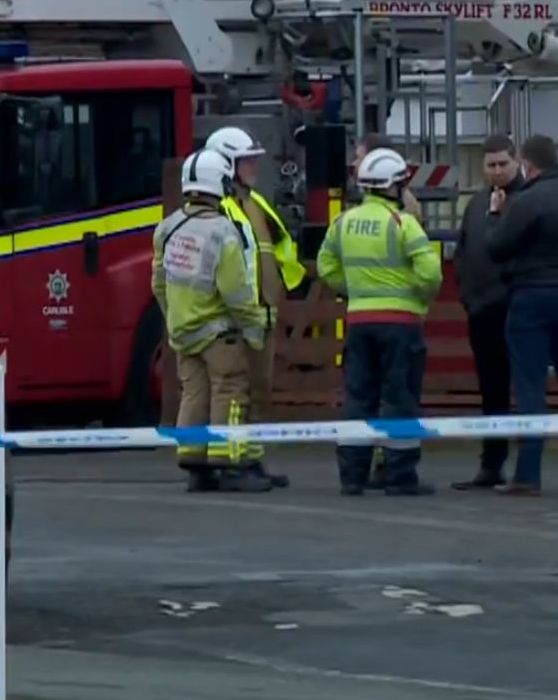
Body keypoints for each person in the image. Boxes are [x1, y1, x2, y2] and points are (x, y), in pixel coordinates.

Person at [318, 146, 442, 496]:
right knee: (399, 398)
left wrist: (353, 289)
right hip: (401, 323)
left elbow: (326, 265)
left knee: (359, 397)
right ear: (393, 186)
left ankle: (352, 477)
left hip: (359, 321)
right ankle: (399, 476)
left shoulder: (342, 222)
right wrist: (416, 295)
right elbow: (431, 272)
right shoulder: (403, 223)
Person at [485, 133, 558, 497]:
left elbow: (496, 247)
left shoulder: (527, 199)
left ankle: (528, 475)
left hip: (533, 294)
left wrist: (494, 215)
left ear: (528, 164)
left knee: (530, 385)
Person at [151, 149, 274, 493]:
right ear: (219, 182)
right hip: (220, 333)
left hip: (183, 332)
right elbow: (236, 291)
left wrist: (174, 317)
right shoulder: (222, 231)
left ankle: (194, 460)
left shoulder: (168, 227)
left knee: (194, 393)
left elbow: (159, 283)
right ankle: (230, 464)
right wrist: (253, 328)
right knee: (230, 391)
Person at [204, 126, 308, 489]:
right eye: (246, 160)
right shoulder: (224, 207)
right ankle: (234, 464)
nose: (253, 166)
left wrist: (286, 287)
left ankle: (252, 459)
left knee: (259, 391)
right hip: (239, 314)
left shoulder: (254, 201)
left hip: (262, 311)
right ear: (227, 165)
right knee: (237, 392)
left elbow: (275, 245)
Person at [451, 134, 524, 490]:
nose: (497, 172)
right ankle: (491, 465)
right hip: (480, 309)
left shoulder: (527, 200)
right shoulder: (477, 203)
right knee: (491, 391)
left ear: (517, 161)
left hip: (516, 308)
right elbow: (463, 251)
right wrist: (467, 293)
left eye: (503, 165)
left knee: (524, 389)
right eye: (491, 165)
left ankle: (527, 469)